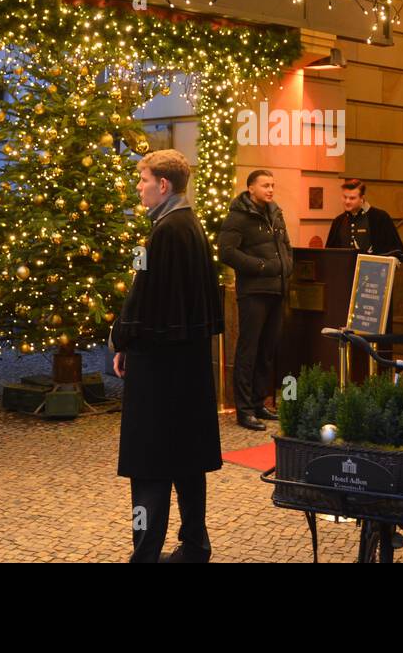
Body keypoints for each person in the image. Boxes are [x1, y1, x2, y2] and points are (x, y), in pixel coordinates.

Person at [111, 149, 223, 563]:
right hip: (187, 366)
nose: (138, 188)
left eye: (143, 180)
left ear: (164, 185)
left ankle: (146, 555)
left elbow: (143, 299)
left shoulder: (165, 230)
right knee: (186, 459)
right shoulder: (189, 224)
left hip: (158, 368)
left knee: (150, 465)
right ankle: (195, 545)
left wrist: (122, 340)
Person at [218, 169, 292, 431]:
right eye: (265, 185)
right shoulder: (239, 216)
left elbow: (285, 245)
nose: (270, 189)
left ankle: (260, 401)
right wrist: (260, 266)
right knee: (248, 350)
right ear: (251, 188)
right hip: (253, 292)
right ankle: (244, 409)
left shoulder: (275, 212)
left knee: (267, 349)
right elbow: (226, 252)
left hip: (277, 289)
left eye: (272, 185)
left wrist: (286, 266)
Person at [325, 178, 403, 260]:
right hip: (344, 270)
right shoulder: (338, 221)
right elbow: (330, 253)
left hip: (372, 269)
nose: (347, 201)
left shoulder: (380, 217)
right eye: (345, 197)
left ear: (362, 198)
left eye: (352, 198)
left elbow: (395, 251)